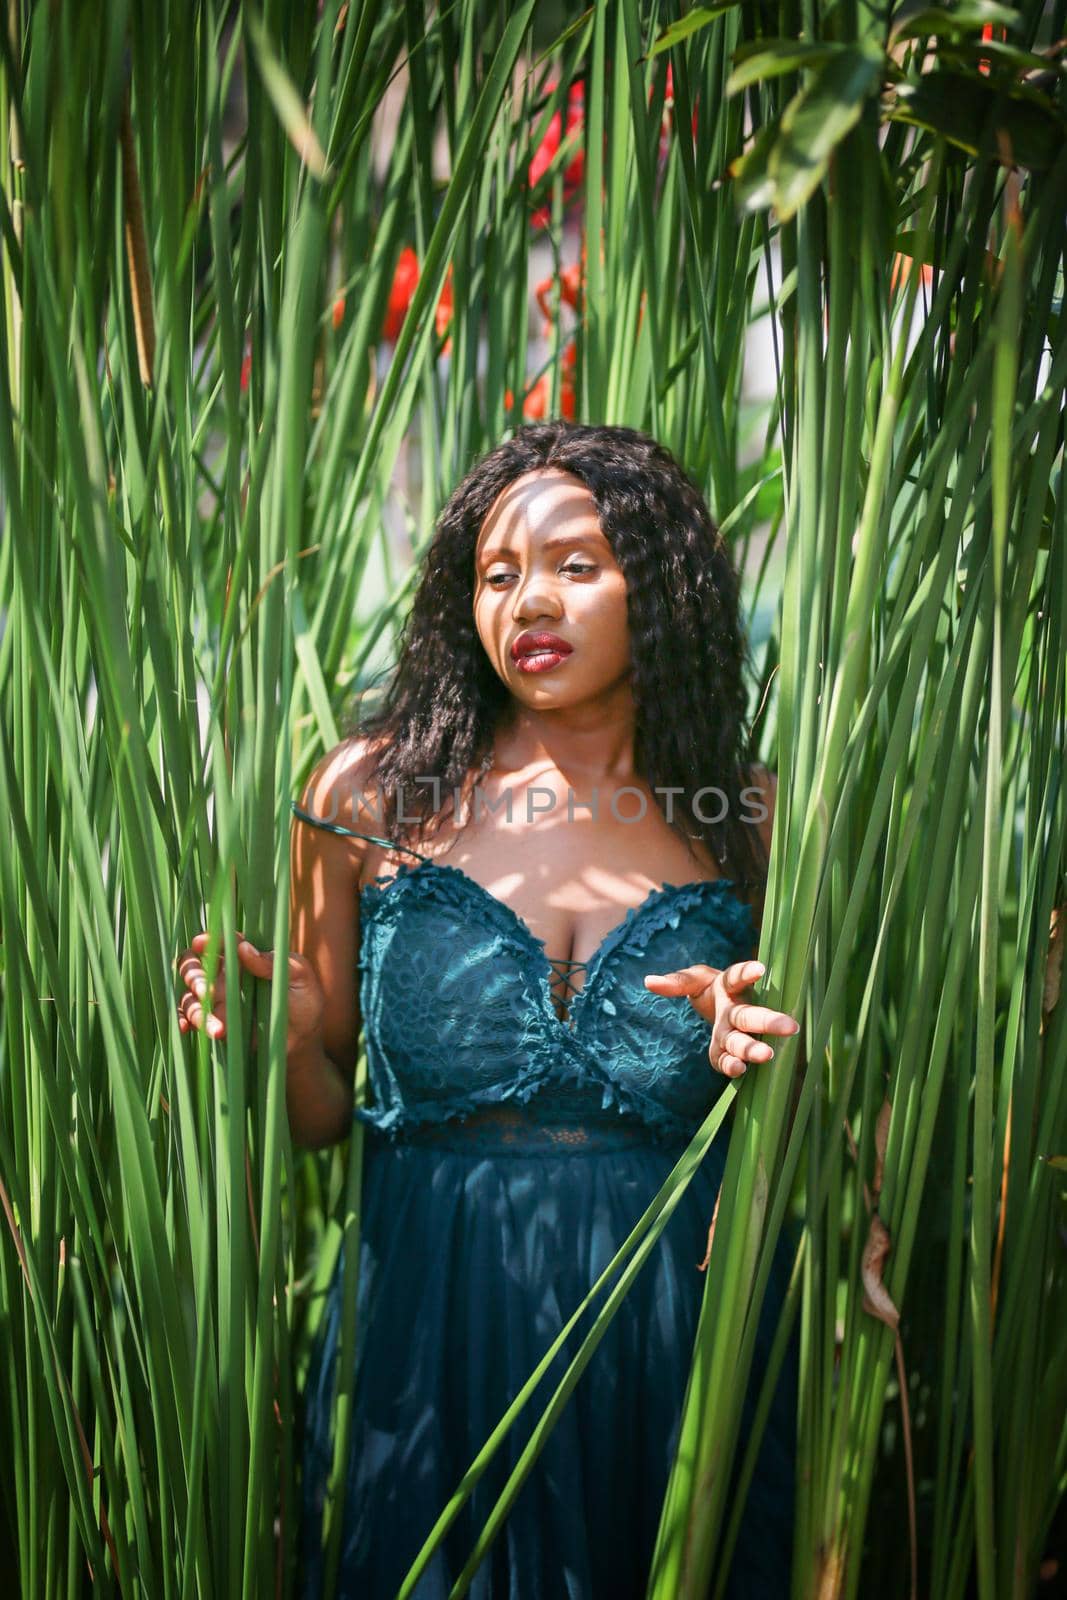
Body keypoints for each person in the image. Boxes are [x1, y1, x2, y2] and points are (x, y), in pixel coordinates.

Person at [176, 421, 802, 1598]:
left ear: (656, 585)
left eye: (575, 566)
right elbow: (317, 1112)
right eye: (497, 574)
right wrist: (276, 1039)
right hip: (428, 1321)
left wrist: (757, 1050)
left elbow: (815, 1094)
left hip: (670, 1314)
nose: (529, 601)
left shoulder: (751, 816)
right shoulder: (367, 795)